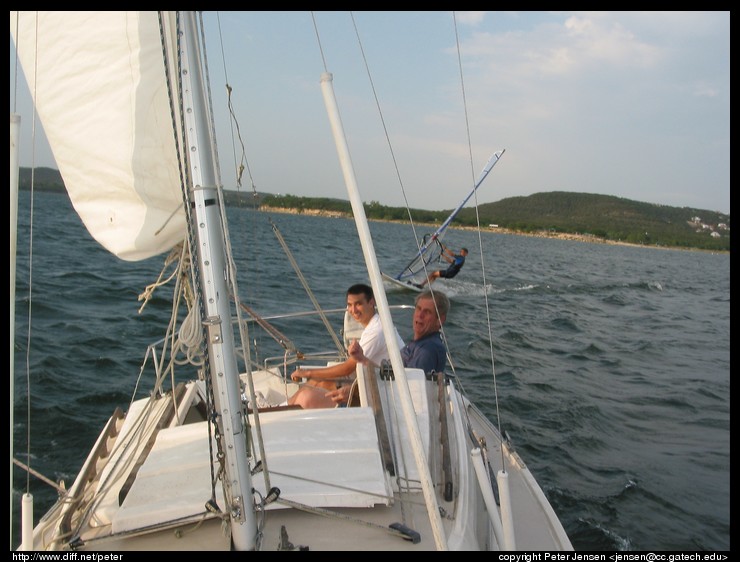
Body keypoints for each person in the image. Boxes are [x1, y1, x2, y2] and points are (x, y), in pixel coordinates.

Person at [288, 283, 403, 409]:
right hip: (373, 380)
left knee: (318, 383)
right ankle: (283, 407)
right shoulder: (374, 325)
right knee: (316, 381)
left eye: (358, 304)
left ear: (371, 303)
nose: (353, 310)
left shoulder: (377, 330)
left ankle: (284, 408)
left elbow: (348, 367)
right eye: (349, 305)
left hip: (384, 388)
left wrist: (308, 373)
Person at [327, 289, 449, 405]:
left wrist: (356, 394)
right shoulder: (419, 344)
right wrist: (361, 358)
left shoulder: (427, 350)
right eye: (418, 309)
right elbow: (392, 377)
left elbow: (407, 393)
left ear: (440, 320)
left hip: (389, 411)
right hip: (383, 399)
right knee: (323, 386)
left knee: (312, 395)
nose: (420, 315)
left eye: (427, 312)